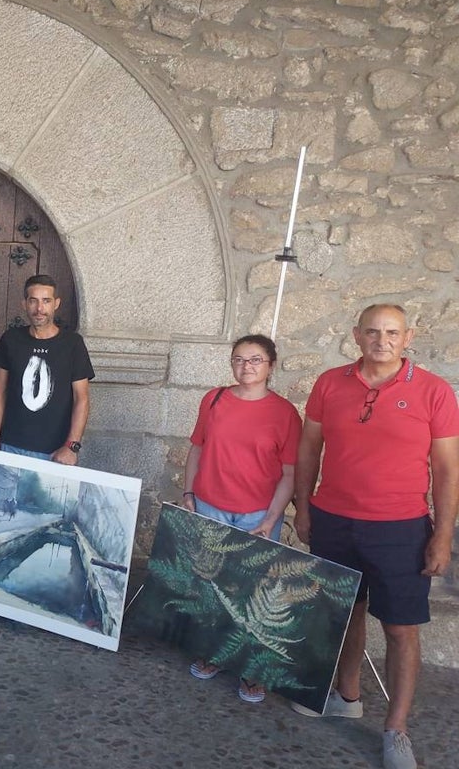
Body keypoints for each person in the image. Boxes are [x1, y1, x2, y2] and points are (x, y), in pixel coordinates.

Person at [291, 304, 459, 769]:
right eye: (372, 332)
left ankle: (396, 729)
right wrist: (303, 507)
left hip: (400, 528)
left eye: (391, 332)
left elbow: (447, 470)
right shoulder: (329, 383)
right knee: (346, 614)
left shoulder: (434, 391)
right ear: (356, 336)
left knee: (402, 629)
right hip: (334, 521)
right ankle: (347, 696)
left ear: (407, 338)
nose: (381, 340)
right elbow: (310, 446)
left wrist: (442, 535)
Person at [181, 334, 302, 704]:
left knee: (254, 592)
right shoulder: (214, 399)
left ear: (271, 365)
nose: (246, 366)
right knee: (212, 583)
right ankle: (214, 652)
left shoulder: (284, 414)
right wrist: (188, 494)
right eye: (239, 359)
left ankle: (253, 668)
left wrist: (272, 518)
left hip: (257, 514)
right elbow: (197, 449)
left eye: (255, 359)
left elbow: (288, 473)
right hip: (210, 504)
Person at [0, 274, 93, 463]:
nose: (39, 309)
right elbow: (0, 389)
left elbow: (81, 398)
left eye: (46, 301)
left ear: (56, 304)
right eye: (33, 301)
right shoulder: (11, 339)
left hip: (55, 452)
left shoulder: (73, 344)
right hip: (9, 446)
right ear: (24, 304)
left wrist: (71, 446)